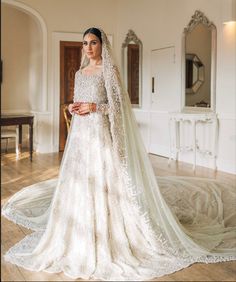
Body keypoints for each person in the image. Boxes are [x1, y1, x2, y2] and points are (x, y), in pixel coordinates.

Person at [2, 27, 236, 281]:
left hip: (101, 134)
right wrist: (73, 107)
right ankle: (79, 230)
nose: (88, 48)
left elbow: (118, 107)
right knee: (78, 181)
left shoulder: (109, 71)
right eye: (85, 44)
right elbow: (78, 100)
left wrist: (94, 107)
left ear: (102, 45)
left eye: (93, 42)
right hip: (81, 136)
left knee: (106, 181)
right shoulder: (80, 73)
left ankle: (111, 230)